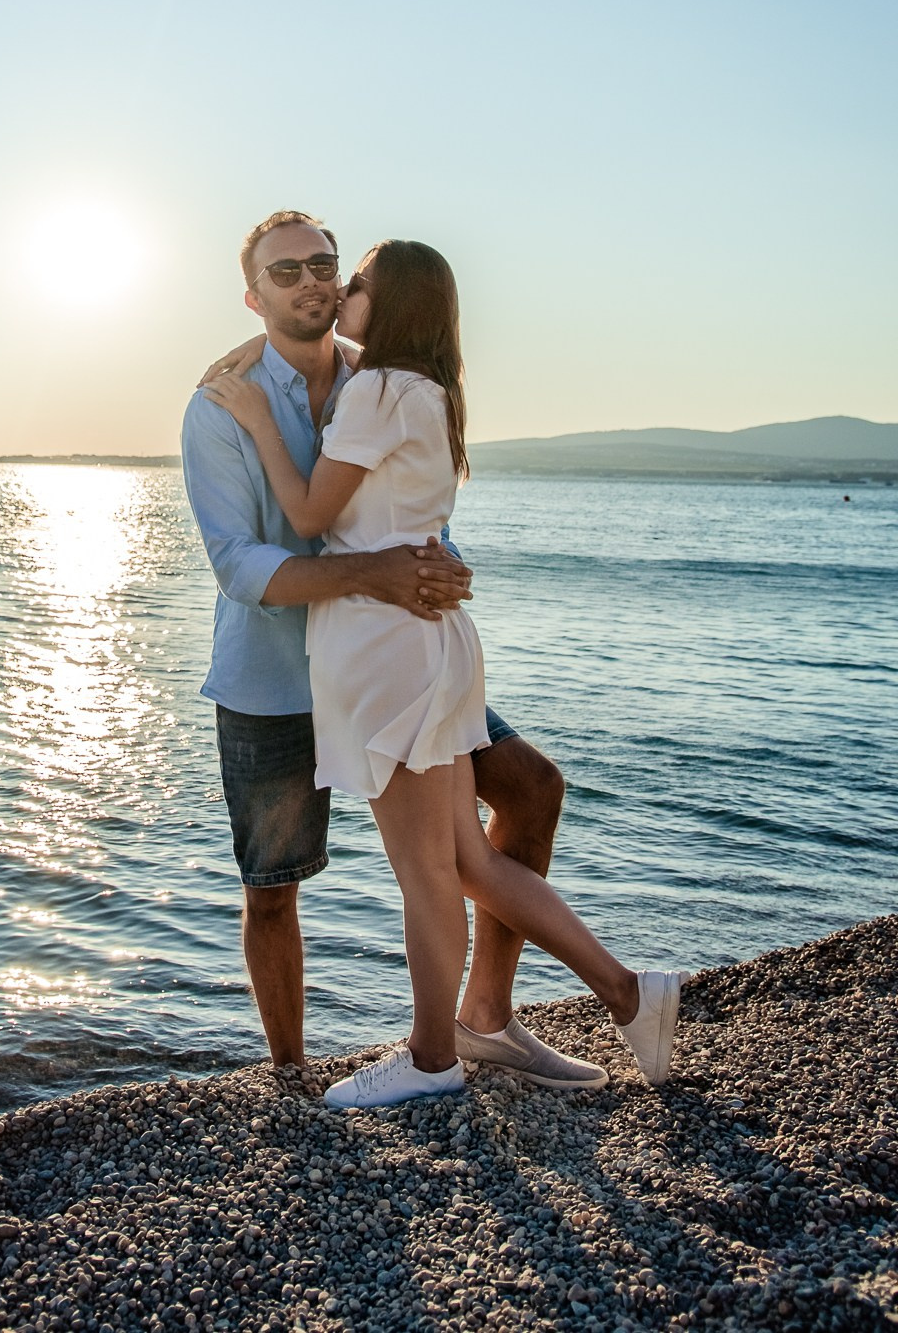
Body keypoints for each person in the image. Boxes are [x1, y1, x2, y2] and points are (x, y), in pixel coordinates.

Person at [202, 234, 688, 1108]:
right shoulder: (404, 385)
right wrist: (406, 559)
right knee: (452, 862)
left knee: (439, 863)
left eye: (338, 271)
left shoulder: (372, 384)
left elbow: (324, 512)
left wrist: (266, 428)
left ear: (384, 303)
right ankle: (623, 993)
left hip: (386, 656)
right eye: (294, 271)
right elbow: (246, 564)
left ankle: (441, 1054)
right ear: (253, 293)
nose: (325, 285)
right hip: (315, 667)